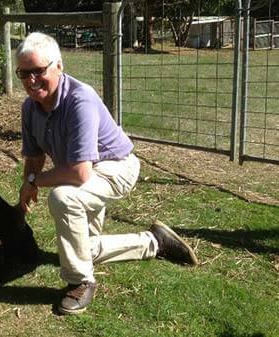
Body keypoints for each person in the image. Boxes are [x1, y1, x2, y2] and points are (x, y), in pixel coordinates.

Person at [16, 32, 198, 315]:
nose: (31, 80)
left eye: (38, 71)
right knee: (81, 250)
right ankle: (154, 242)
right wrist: (27, 184)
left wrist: (34, 181)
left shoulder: (80, 99)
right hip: (86, 171)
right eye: (24, 73)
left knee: (64, 198)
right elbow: (36, 156)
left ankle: (81, 282)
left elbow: (78, 174)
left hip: (116, 166)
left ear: (59, 66)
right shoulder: (30, 107)